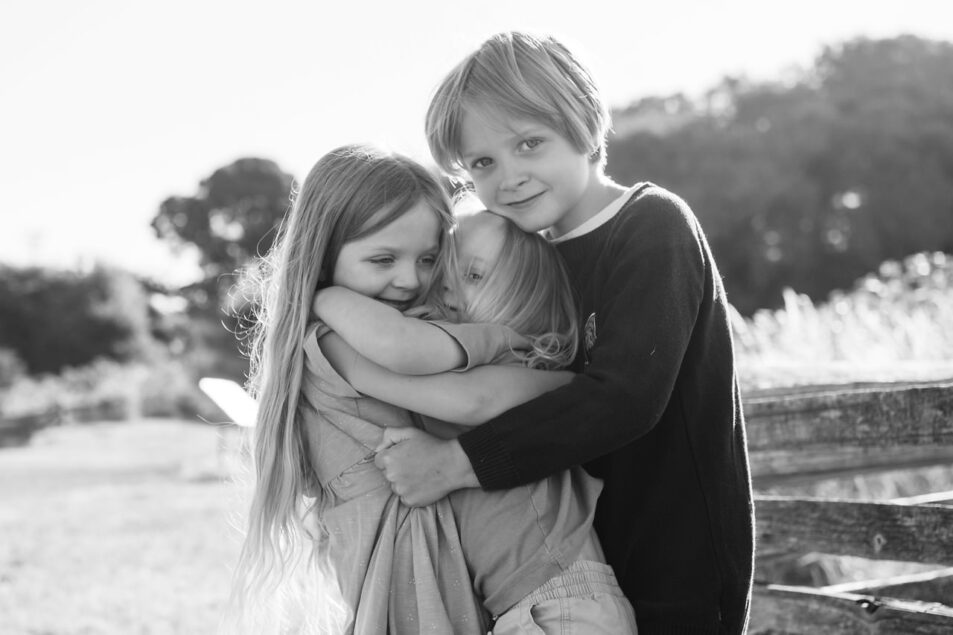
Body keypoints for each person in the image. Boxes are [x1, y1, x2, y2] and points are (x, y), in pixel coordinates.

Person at [372, 31, 756, 634]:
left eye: (530, 143)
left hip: (675, 563)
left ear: (580, 122)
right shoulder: (526, 257)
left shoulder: (652, 226)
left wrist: (454, 464)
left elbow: (624, 396)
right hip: (572, 566)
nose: (508, 178)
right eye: (482, 163)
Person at [230, 144, 512, 634]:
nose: (409, 279)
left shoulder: (395, 327)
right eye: (383, 259)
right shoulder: (338, 338)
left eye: (428, 259)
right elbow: (475, 400)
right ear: (322, 254)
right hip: (405, 563)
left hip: (428, 553)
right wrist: (558, 371)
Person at [313, 209, 637, 633]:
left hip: (559, 604)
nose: (447, 283)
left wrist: (323, 297)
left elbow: (407, 351)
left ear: (525, 297)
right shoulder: (465, 350)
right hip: (530, 608)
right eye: (444, 266)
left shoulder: (510, 352)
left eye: (475, 274)